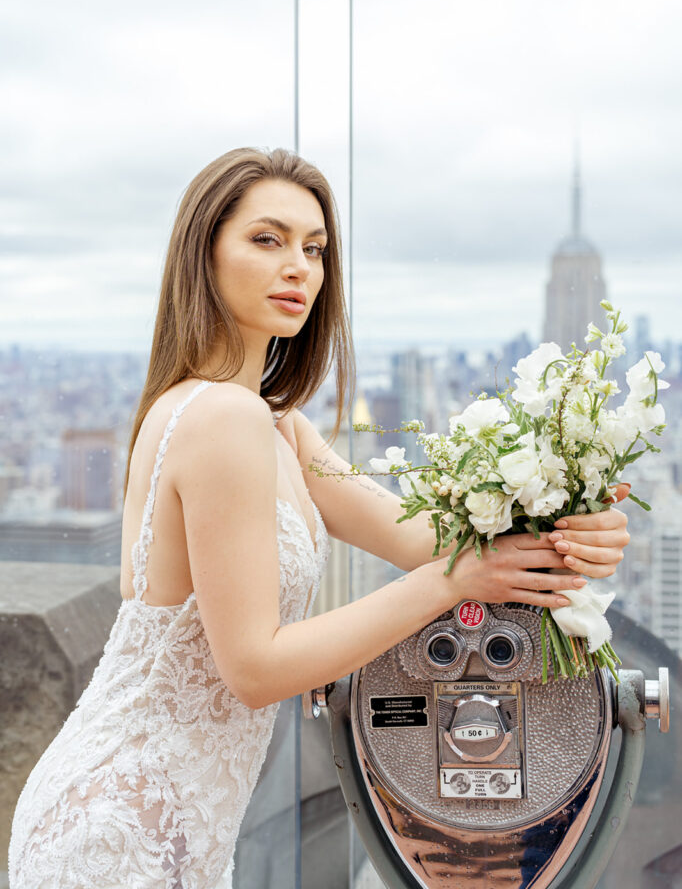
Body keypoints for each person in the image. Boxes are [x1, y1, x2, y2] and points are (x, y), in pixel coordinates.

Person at [8, 147, 630, 889]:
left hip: (171, 814)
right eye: (267, 240)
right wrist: (453, 581)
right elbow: (255, 667)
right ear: (203, 255)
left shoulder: (275, 425)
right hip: (122, 825)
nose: (299, 266)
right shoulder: (224, 420)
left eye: (315, 248)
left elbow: (421, 537)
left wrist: (576, 522)